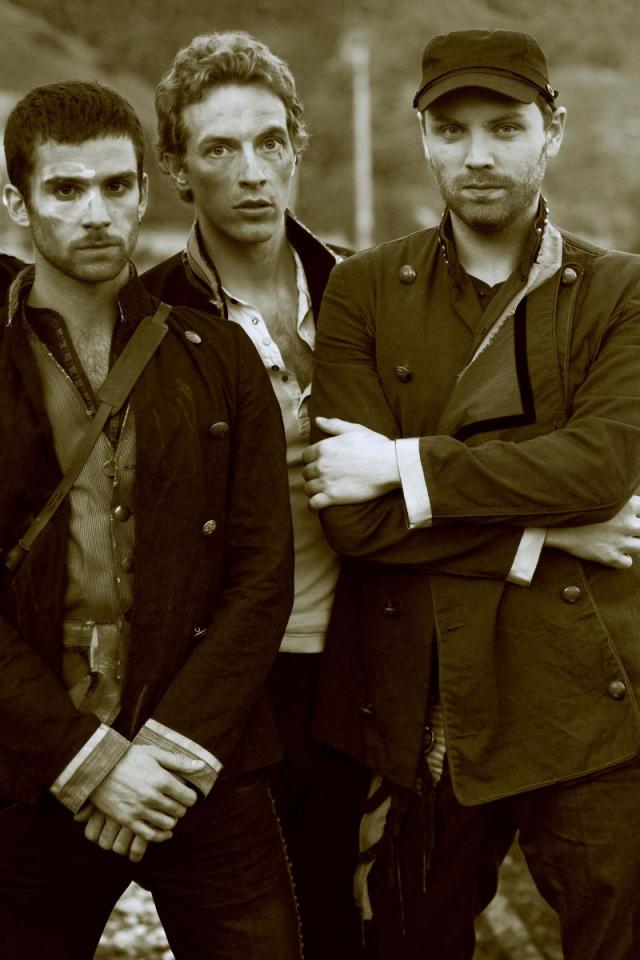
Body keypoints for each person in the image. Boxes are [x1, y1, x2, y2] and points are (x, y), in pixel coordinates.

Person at [303, 28, 640, 960]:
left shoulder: (617, 290)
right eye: (451, 130)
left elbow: (601, 469)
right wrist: (543, 538)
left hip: (582, 697)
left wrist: (401, 464)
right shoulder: (364, 288)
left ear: (553, 129)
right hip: (418, 697)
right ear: (423, 137)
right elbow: (354, 519)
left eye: (505, 126)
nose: (478, 155)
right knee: (405, 943)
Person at [0, 79, 301, 960]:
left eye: (116, 186)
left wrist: (161, 760)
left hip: (199, 762)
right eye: (66, 189)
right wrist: (89, 764)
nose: (96, 213)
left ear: (143, 191)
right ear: (17, 203)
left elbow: (262, 575)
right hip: (29, 764)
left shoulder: (220, 358)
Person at [142, 32, 364, 959]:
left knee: (360, 927)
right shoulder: (149, 319)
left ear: (297, 144)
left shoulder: (366, 294)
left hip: (362, 668)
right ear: (177, 170)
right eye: (219, 148)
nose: (251, 171)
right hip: (229, 677)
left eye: (270, 141)